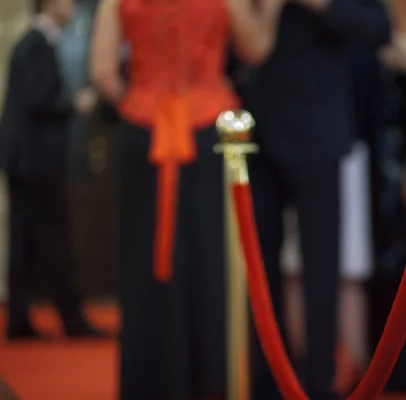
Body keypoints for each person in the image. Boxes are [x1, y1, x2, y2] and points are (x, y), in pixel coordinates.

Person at [89, 0, 288, 398]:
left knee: (143, 262)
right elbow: (255, 49)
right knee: (211, 259)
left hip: (143, 130)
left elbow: (102, 73)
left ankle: (148, 383)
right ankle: (211, 379)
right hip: (211, 130)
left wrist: (142, 96)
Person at [243, 1, 390, 398]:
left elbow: (379, 27)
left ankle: (319, 383)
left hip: (320, 137)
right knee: (259, 270)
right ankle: (266, 381)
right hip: (258, 134)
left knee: (323, 268)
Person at [0, 0, 103, 340]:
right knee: (49, 240)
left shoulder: (38, 42)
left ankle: (20, 319)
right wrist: (75, 104)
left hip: (28, 162)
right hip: (35, 163)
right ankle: (70, 318)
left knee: (26, 241)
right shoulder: (35, 43)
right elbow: (38, 99)